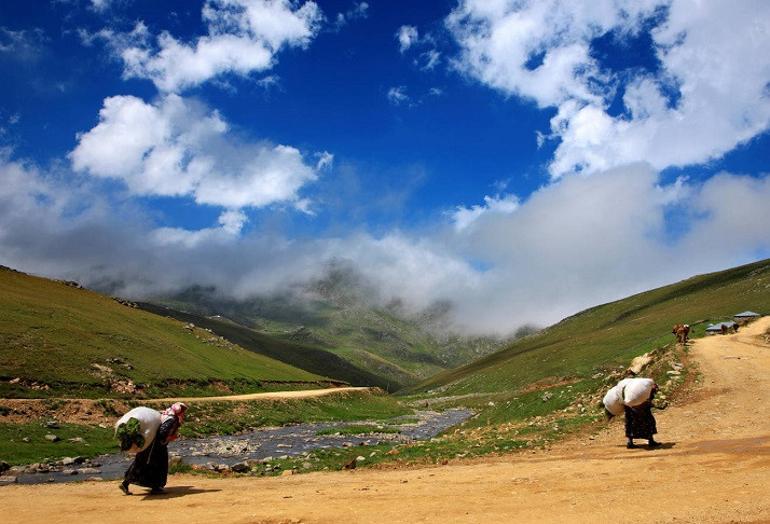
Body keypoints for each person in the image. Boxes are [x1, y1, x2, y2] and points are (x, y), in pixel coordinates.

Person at [120, 402, 187, 495]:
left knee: (140, 463)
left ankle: (126, 483)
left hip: (150, 444)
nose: (184, 413)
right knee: (158, 465)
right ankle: (155, 487)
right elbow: (162, 432)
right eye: (183, 411)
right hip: (156, 447)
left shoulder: (166, 414)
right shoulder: (172, 419)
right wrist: (169, 438)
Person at [603, 377, 661, 449]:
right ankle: (650, 440)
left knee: (632, 421)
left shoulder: (644, 387)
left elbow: (645, 399)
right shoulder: (645, 387)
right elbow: (646, 399)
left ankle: (631, 442)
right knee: (645, 420)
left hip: (630, 404)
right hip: (631, 404)